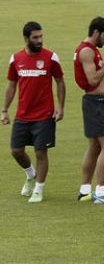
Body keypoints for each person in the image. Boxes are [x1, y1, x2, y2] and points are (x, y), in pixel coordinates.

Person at [2, 22, 66, 203]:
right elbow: (11, 86)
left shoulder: (51, 57)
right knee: (16, 151)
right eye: (35, 37)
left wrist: (60, 107)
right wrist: (5, 110)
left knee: (41, 153)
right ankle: (31, 174)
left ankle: (38, 189)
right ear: (26, 38)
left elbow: (60, 81)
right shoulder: (15, 59)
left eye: (41, 36)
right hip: (22, 115)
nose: (39, 40)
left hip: (44, 115)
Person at [74, 17, 104, 205]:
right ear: (96, 32)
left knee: (94, 147)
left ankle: (85, 191)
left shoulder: (89, 50)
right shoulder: (86, 51)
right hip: (96, 102)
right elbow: (93, 80)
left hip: (94, 102)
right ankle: (101, 193)